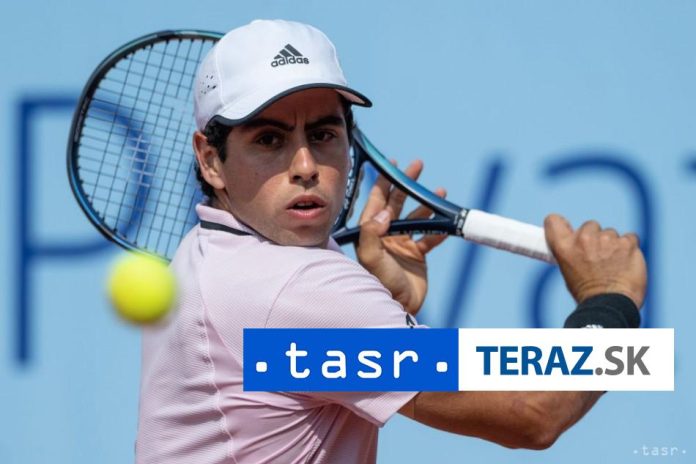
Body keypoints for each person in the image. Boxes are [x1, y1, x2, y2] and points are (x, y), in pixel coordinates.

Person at [135, 19, 647, 463]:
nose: (306, 166)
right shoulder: (299, 291)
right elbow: (533, 411)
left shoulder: (205, 251)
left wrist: (388, 310)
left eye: (323, 135)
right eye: (269, 139)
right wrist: (611, 299)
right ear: (210, 160)